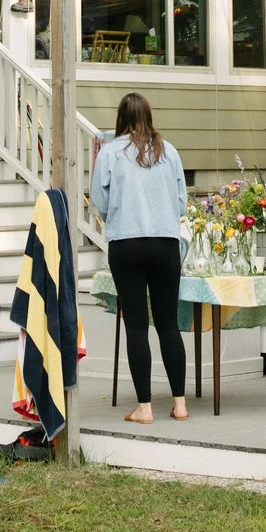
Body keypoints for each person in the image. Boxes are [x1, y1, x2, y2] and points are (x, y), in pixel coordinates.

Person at [90, 93, 191, 423]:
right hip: (165, 243)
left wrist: (116, 215)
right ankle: (179, 404)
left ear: (120, 117)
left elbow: (99, 201)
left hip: (126, 243)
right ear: (149, 115)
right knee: (168, 324)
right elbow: (180, 201)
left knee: (136, 325)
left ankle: (145, 407)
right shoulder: (170, 151)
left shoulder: (109, 152)